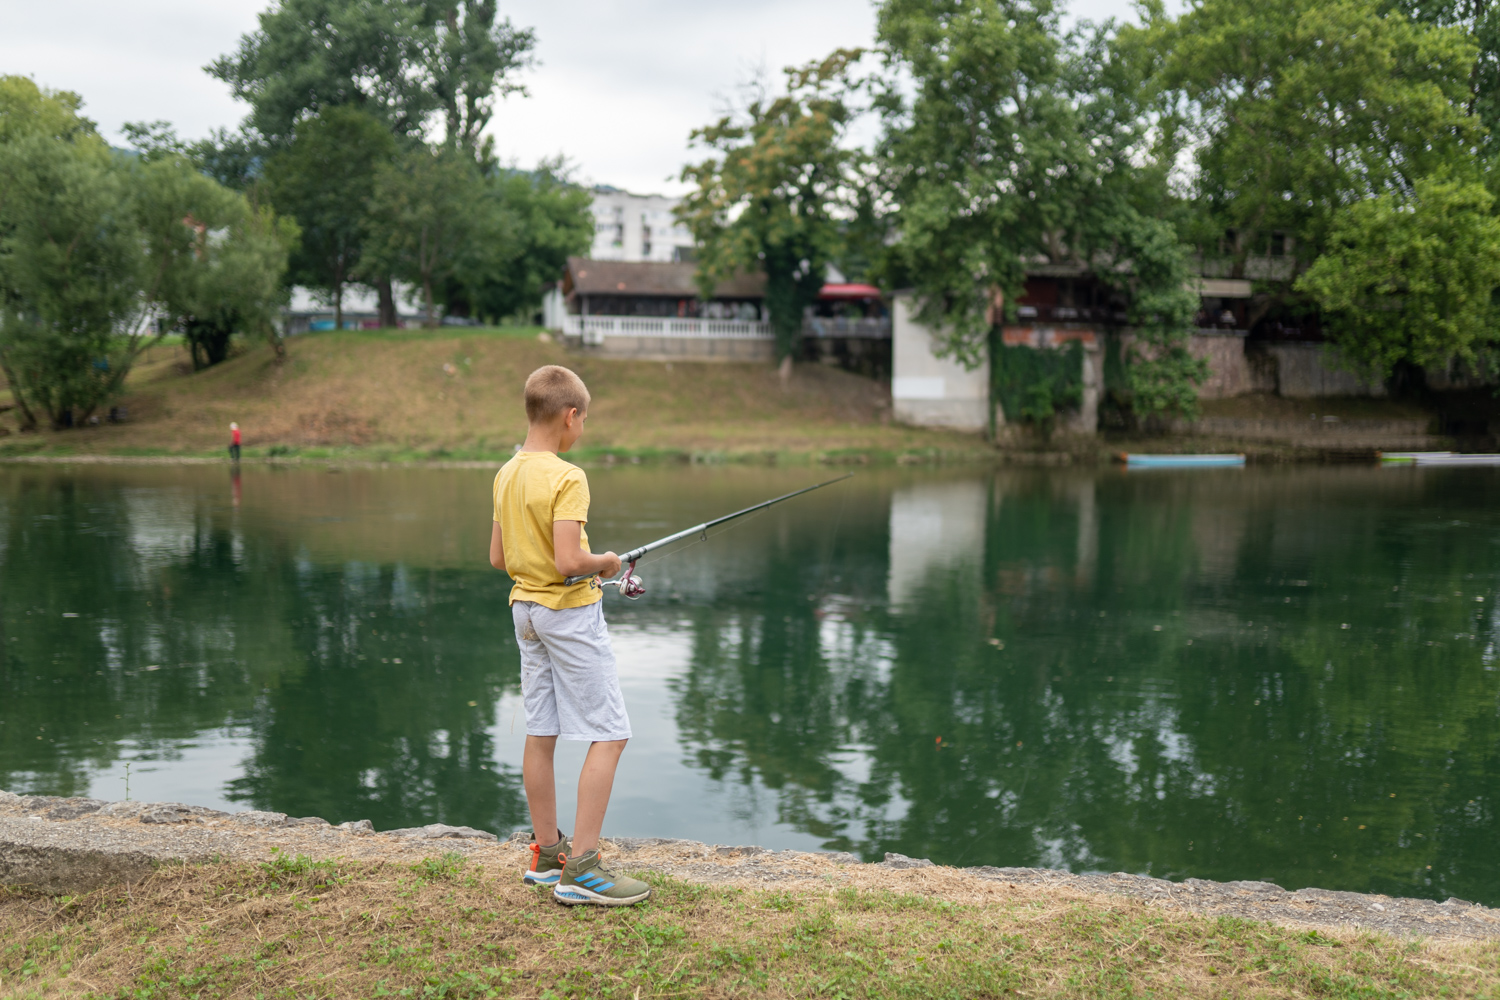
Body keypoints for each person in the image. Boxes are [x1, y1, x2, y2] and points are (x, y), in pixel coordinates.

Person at [489, 365, 650, 907]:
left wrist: (562, 563)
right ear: (570, 416)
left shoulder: (506, 472)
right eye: (584, 420)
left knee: (542, 727)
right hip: (568, 614)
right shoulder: (568, 476)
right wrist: (605, 560)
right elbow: (568, 562)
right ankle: (582, 868)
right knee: (610, 732)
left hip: (525, 613)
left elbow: (497, 557)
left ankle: (545, 852)